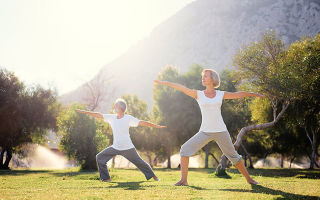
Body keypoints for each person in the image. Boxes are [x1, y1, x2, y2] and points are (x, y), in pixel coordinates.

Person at [154, 69, 263, 186]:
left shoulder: (221, 94)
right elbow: (181, 88)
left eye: (206, 76)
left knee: (234, 157)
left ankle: (249, 179)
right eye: (203, 76)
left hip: (221, 130)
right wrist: (164, 83)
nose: (203, 78)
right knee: (185, 150)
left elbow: (238, 94)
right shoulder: (198, 94)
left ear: (212, 79)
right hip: (205, 131)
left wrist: (254, 94)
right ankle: (183, 180)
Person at [76, 98, 166, 182]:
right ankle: (106, 178)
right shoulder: (112, 117)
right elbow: (98, 115)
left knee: (140, 162)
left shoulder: (128, 118)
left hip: (127, 147)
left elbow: (142, 122)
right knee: (100, 157)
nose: (114, 107)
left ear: (120, 107)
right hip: (116, 147)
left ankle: (155, 177)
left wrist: (156, 126)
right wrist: (85, 112)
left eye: (116, 105)